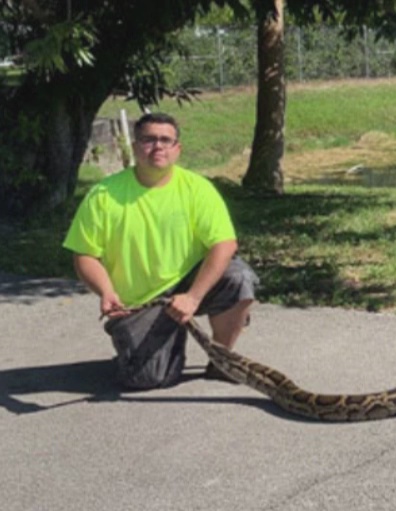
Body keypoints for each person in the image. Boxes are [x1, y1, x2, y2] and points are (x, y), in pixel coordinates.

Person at [63, 112, 259, 389]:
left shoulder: (197, 189)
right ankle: (145, 345)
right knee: (149, 378)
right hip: (142, 301)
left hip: (189, 285)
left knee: (238, 278)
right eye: (149, 140)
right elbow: (84, 254)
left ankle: (222, 360)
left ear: (177, 149)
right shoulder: (103, 195)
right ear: (134, 147)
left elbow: (224, 244)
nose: (158, 147)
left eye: (166, 140)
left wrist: (192, 297)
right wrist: (105, 291)